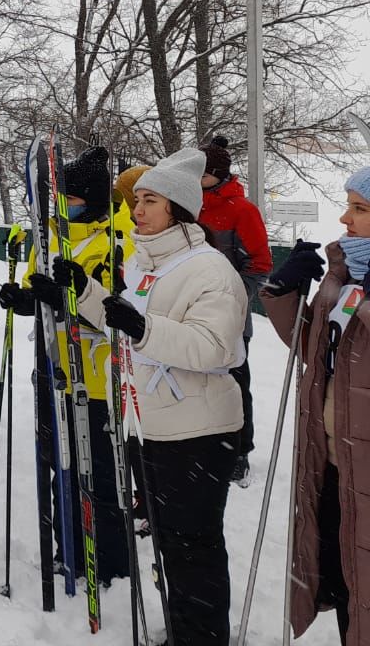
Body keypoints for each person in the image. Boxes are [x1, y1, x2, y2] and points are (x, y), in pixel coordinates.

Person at [72, 147, 247, 645]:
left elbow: (214, 347)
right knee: (170, 544)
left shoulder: (209, 269)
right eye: (137, 200)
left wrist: (143, 327)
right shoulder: (145, 263)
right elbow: (125, 326)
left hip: (198, 431)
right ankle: (182, 631)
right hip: (150, 423)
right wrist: (80, 292)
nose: (137, 209)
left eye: (149, 200)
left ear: (178, 207)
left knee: (193, 547)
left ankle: (202, 637)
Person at [0, 146, 134, 588]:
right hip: (53, 369)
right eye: (63, 198)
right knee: (61, 465)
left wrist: (67, 299)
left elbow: (122, 313)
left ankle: (109, 558)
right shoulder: (53, 234)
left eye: (72, 199)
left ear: (91, 199)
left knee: (97, 469)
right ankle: (69, 548)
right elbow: (39, 289)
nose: (65, 206)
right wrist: (24, 299)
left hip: (97, 379)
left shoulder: (119, 239)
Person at [261, 166, 370, 646]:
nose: (346, 219)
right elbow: (313, 352)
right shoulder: (344, 278)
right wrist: (284, 294)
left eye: (360, 209)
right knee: (349, 585)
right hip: (333, 466)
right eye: (348, 205)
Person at [198, 136, 272, 484]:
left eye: (201, 172)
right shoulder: (187, 204)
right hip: (192, 313)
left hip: (229, 318)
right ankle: (204, 442)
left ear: (217, 174)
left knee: (234, 384)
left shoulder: (242, 210)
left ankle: (239, 450)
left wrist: (230, 297)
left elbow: (260, 264)